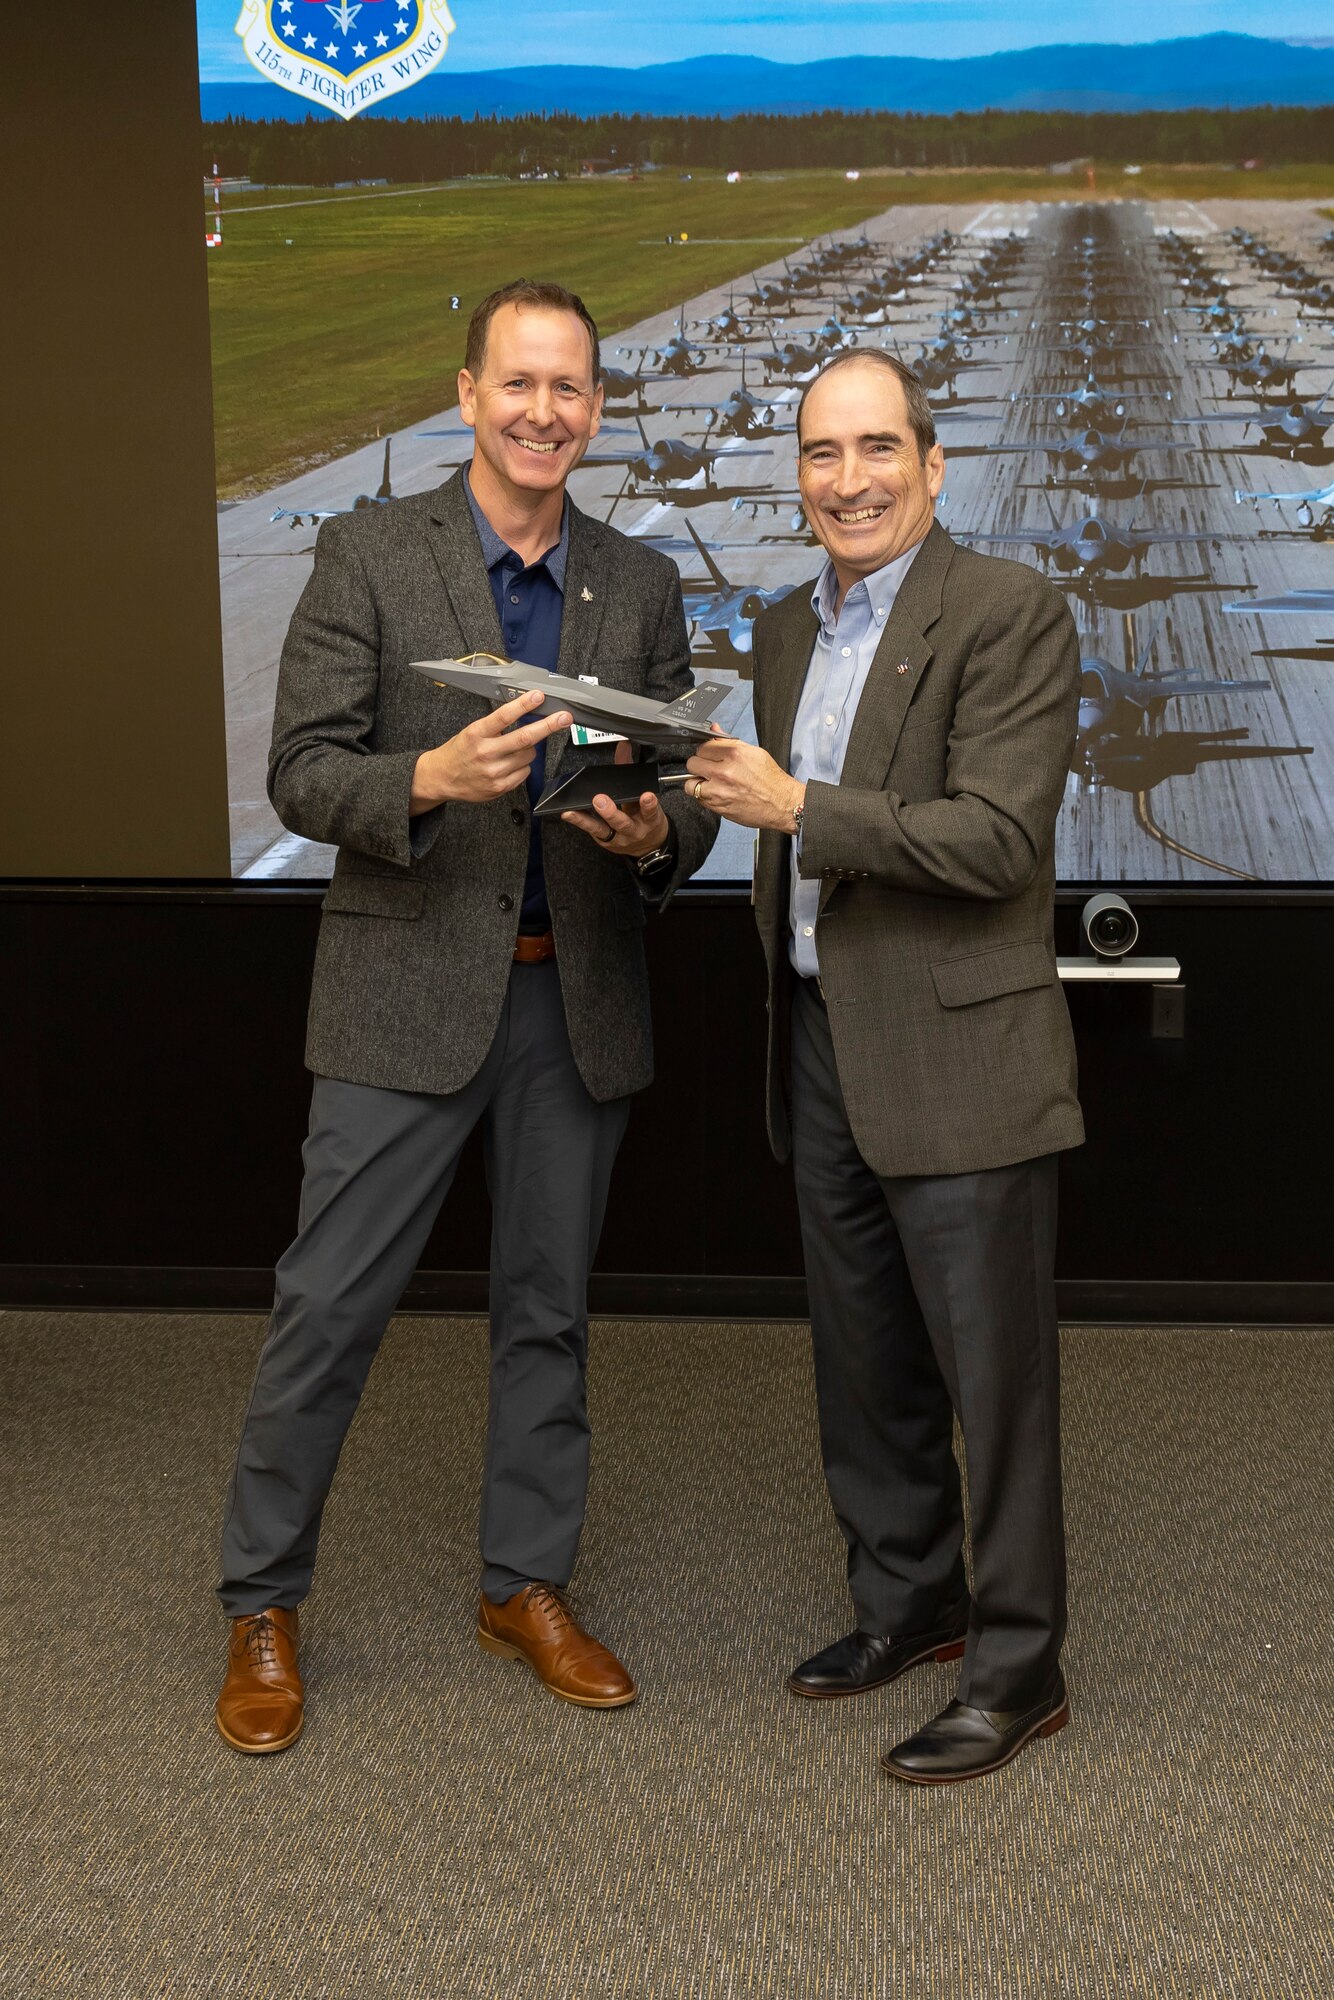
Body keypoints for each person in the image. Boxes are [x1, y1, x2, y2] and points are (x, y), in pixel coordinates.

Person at [215, 279, 715, 1753]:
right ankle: (262, 1596)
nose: (543, 412)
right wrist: (428, 781)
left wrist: (651, 834)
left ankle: (525, 1583)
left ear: (596, 410)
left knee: (544, 1316)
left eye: (568, 389)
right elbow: (303, 772)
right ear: (466, 392)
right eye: (518, 384)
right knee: (327, 1312)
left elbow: (682, 782)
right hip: (403, 997)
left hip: (577, 1003)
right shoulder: (369, 554)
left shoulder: (636, 581)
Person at [686, 348, 1084, 1785]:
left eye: (872, 451)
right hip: (821, 1042)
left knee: (996, 1380)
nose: (843, 480)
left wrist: (797, 804)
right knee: (865, 1368)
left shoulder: (1009, 612)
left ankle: (1018, 1664)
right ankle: (905, 1600)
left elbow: (991, 842)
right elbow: (786, 832)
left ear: (929, 464)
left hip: (960, 1052)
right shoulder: (787, 628)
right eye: (817, 453)